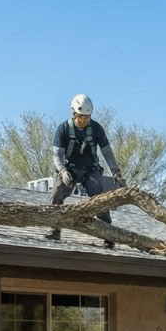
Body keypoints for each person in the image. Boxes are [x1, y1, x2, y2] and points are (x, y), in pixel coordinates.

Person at [46, 94, 123, 247]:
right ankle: (55, 230)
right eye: (81, 117)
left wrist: (115, 170)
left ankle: (108, 235)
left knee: (99, 196)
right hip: (69, 169)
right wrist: (62, 170)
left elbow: (106, 151)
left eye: (87, 117)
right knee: (57, 191)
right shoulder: (63, 129)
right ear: (74, 113)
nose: (84, 120)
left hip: (90, 169)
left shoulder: (96, 128)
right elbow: (57, 154)